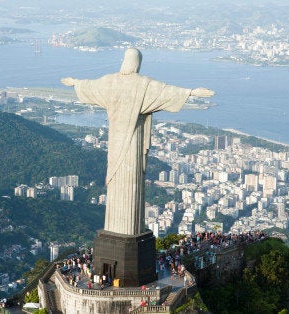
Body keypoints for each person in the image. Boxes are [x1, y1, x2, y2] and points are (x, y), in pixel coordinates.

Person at [62, 48, 213, 236]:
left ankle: (117, 231)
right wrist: (191, 92)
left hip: (115, 143)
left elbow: (90, 86)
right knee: (129, 180)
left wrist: (75, 83)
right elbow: (167, 92)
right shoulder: (143, 84)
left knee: (119, 180)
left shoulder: (110, 81)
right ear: (138, 63)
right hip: (133, 144)